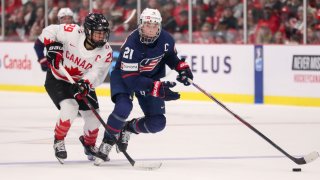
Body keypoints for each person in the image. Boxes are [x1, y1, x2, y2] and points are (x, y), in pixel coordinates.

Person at [94, 8, 193, 165]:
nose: (151, 29)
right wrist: (157, 88)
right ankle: (107, 142)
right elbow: (131, 79)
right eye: (148, 25)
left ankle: (128, 128)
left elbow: (172, 57)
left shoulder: (166, 39)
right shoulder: (132, 44)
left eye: (155, 25)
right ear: (140, 25)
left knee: (157, 123)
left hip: (149, 78)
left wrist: (182, 68)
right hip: (124, 76)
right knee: (123, 108)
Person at [38, 13, 112, 164]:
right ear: (87, 31)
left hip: (81, 83)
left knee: (93, 115)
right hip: (57, 78)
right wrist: (53, 47)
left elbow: (97, 73)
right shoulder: (72, 32)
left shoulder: (106, 51)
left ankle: (89, 144)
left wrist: (85, 83)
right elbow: (49, 31)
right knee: (70, 107)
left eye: (103, 33)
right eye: (98, 33)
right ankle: (58, 140)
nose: (101, 37)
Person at [34, 7, 74, 72]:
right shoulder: (51, 30)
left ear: (72, 20)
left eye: (69, 18)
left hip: (71, 68)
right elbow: (38, 45)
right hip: (54, 69)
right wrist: (42, 59)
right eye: (64, 18)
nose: (67, 21)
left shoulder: (78, 31)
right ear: (59, 20)